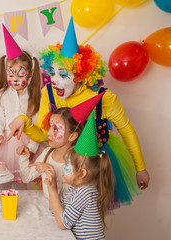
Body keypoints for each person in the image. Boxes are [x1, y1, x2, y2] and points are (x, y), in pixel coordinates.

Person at [8, 18, 149, 207]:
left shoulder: (104, 98)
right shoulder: (48, 92)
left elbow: (127, 131)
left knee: (89, 213)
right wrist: (23, 120)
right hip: (61, 164)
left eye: (64, 74)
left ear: (82, 75)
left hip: (92, 164)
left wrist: (140, 168)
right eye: (52, 72)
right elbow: (43, 134)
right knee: (59, 210)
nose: (55, 80)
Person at [44, 110, 114, 240]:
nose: (63, 167)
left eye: (67, 166)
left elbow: (62, 222)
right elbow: (55, 209)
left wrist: (52, 190)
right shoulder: (76, 187)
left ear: (82, 173)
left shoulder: (85, 192)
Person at [19, 93, 104, 198]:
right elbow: (26, 177)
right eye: (50, 127)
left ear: (72, 136)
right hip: (48, 208)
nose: (48, 133)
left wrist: (49, 170)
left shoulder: (79, 161)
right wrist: (24, 156)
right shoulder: (47, 154)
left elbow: (74, 197)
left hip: (69, 212)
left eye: (55, 129)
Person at [0, 25, 42, 190]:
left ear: (31, 72)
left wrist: (31, 148)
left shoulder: (36, 97)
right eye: (11, 74)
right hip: (5, 144)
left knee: (22, 182)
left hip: (25, 143)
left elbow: (38, 124)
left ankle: (20, 212)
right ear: (5, 72)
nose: (16, 79)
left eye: (21, 74)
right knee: (3, 181)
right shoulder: (1, 95)